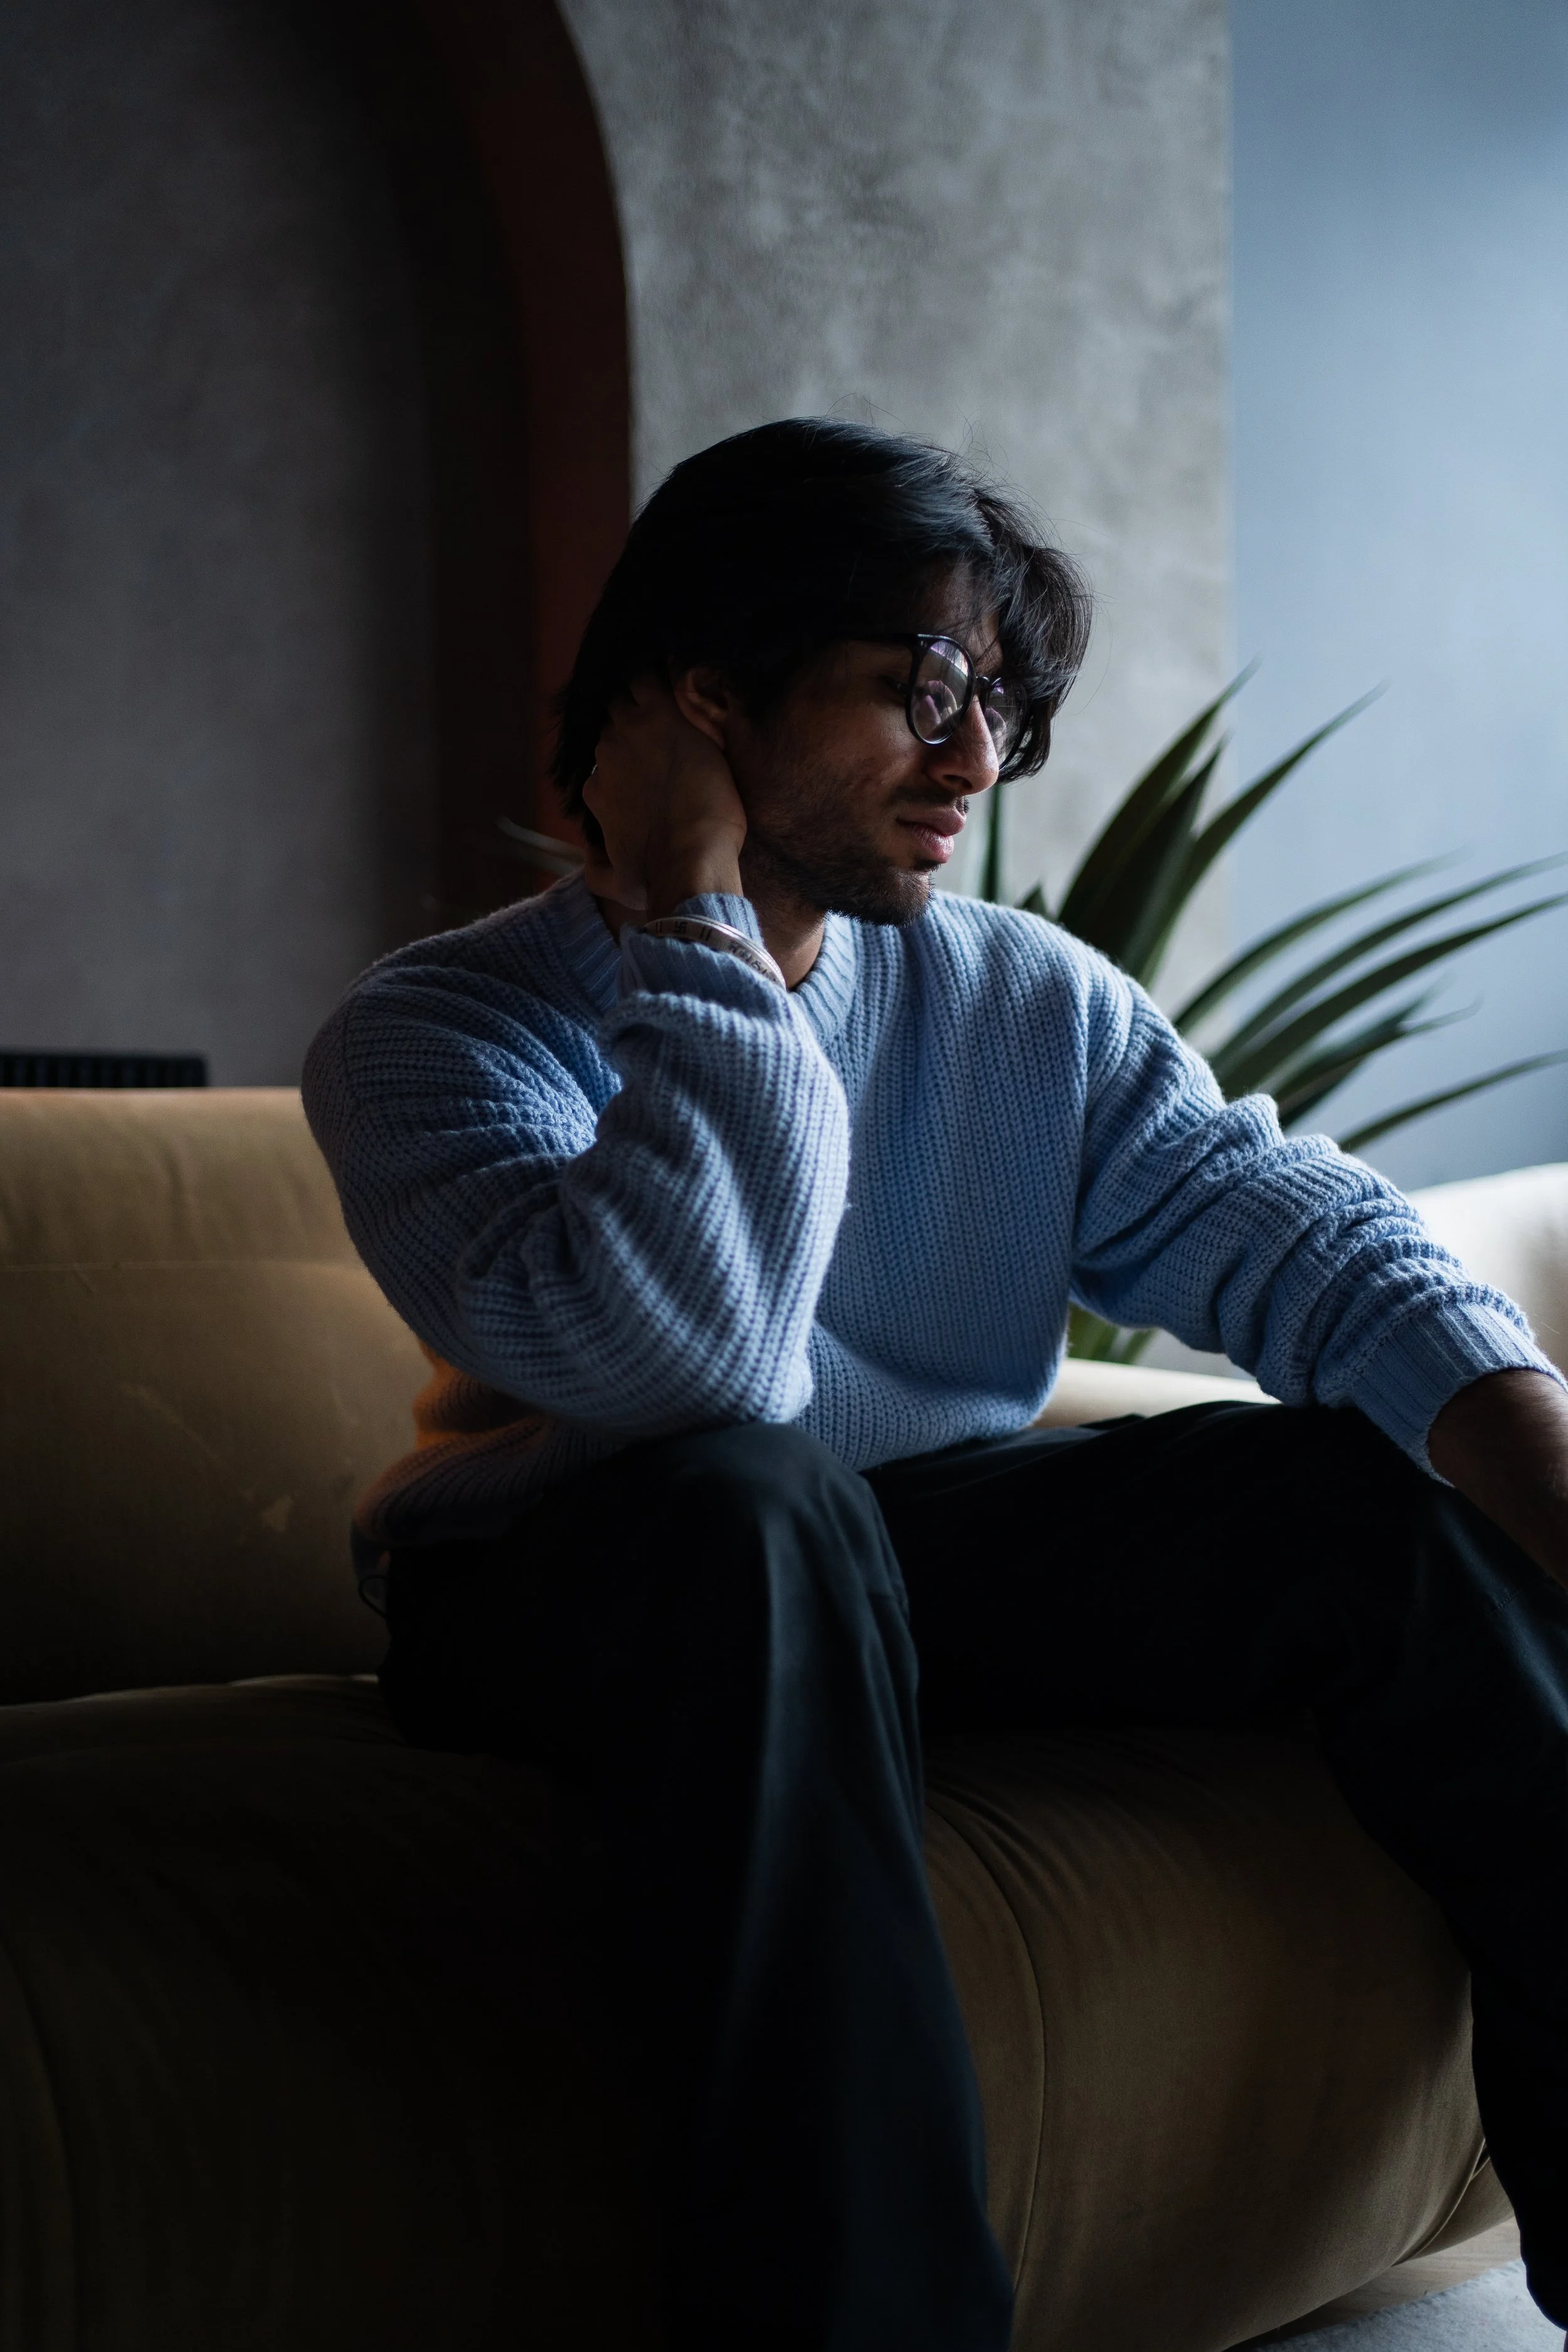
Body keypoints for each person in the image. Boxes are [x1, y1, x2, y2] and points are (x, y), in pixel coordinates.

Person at [304, 418, 1568, 2352]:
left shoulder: (1024, 999)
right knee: (751, 1499)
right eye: (920, 689)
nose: (977, 761)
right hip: (576, 1581)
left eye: (995, 704)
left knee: (1361, 1498)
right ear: (705, 695)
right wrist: (698, 923)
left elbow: (1305, 1242)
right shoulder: (436, 1034)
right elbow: (695, 1368)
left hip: (889, 1559)